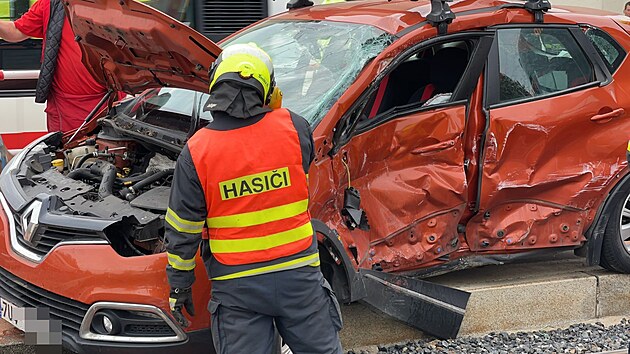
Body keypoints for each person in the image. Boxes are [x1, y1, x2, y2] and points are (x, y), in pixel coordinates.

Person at [165, 43, 343, 354]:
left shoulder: (196, 151)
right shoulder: (296, 127)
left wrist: (180, 284)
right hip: (299, 276)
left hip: (237, 287)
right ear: (266, 88)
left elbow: (183, 230)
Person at [0, 0, 110, 132]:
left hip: (108, 102)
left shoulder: (115, 6)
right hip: (64, 108)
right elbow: (16, 31)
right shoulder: (50, 4)